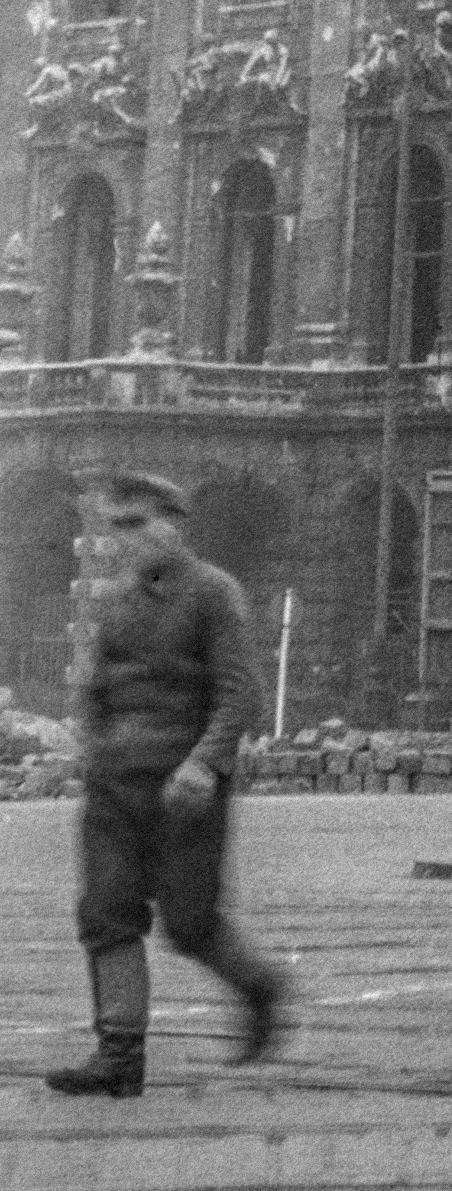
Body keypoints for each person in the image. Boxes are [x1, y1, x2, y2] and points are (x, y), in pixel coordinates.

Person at [46, 470, 286, 1096]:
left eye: (137, 523)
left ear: (172, 524)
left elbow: (240, 694)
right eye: (116, 526)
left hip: (186, 789)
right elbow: (93, 692)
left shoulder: (213, 594)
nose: (125, 539)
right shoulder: (113, 603)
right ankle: (119, 1059)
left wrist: (204, 763)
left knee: (189, 922)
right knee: (106, 913)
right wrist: (94, 753)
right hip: (115, 790)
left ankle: (260, 986)